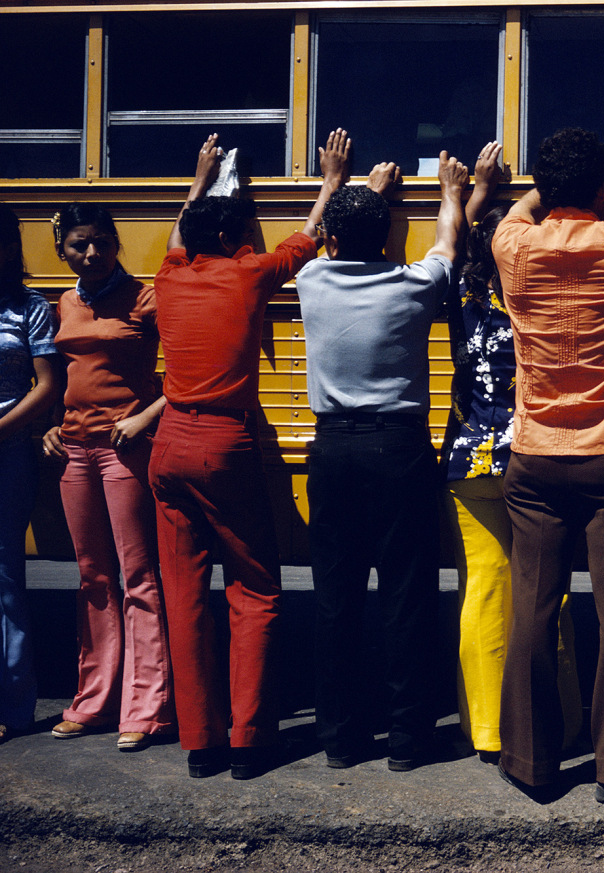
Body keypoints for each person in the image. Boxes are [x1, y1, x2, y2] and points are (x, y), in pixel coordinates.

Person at [149, 130, 348, 779]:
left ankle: (201, 742)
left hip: (169, 441)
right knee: (255, 588)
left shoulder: (170, 276)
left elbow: (183, 233)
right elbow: (310, 236)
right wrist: (330, 181)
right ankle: (250, 739)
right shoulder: (250, 274)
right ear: (240, 237)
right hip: (223, 447)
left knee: (183, 594)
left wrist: (198, 179)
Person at [491, 127, 604, 806]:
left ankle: (532, 764)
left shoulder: (514, 247)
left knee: (532, 605)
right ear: (601, 191)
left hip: (536, 455)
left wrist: (555, 184)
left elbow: (517, 212)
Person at [296, 149, 466, 771]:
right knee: (407, 593)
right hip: (399, 449)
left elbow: (312, 235)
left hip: (333, 448)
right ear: (390, 235)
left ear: (335, 241)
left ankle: (340, 740)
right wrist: (450, 189)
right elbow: (448, 240)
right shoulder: (414, 285)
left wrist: (342, 185)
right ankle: (407, 740)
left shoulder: (312, 280)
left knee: (335, 597)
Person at [443, 142, 583, 766]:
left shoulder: (457, 296)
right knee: (542, 591)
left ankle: (486, 729)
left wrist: (468, 191)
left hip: (468, 458)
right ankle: (560, 721)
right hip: (530, 455)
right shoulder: (538, 291)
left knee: (484, 587)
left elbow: (457, 242)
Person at [42, 204, 174, 751]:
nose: (93, 253)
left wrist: (145, 416)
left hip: (126, 450)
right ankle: (92, 702)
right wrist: (50, 428)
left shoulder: (144, 298)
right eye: (79, 245)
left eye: (102, 242)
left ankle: (145, 710)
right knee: (93, 576)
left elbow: (191, 368)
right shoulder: (65, 302)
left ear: (116, 243)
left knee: (139, 576)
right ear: (61, 250)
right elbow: (58, 377)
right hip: (74, 451)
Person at [0, 203, 60, 742]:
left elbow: (47, 386)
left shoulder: (29, 307)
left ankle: (13, 708)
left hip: (8, 451)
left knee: (5, 581)